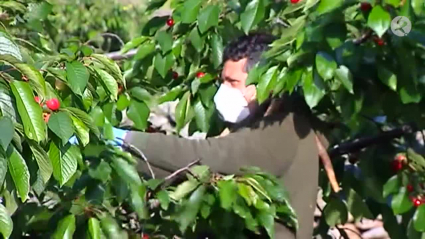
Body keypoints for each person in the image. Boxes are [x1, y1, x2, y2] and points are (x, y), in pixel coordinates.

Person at [113, 33, 322, 239]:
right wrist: (120, 156)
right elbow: (188, 171)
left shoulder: (283, 128)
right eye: (223, 81)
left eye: (233, 82)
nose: (224, 90)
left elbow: (208, 155)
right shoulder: (255, 123)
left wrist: (127, 141)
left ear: (264, 81)